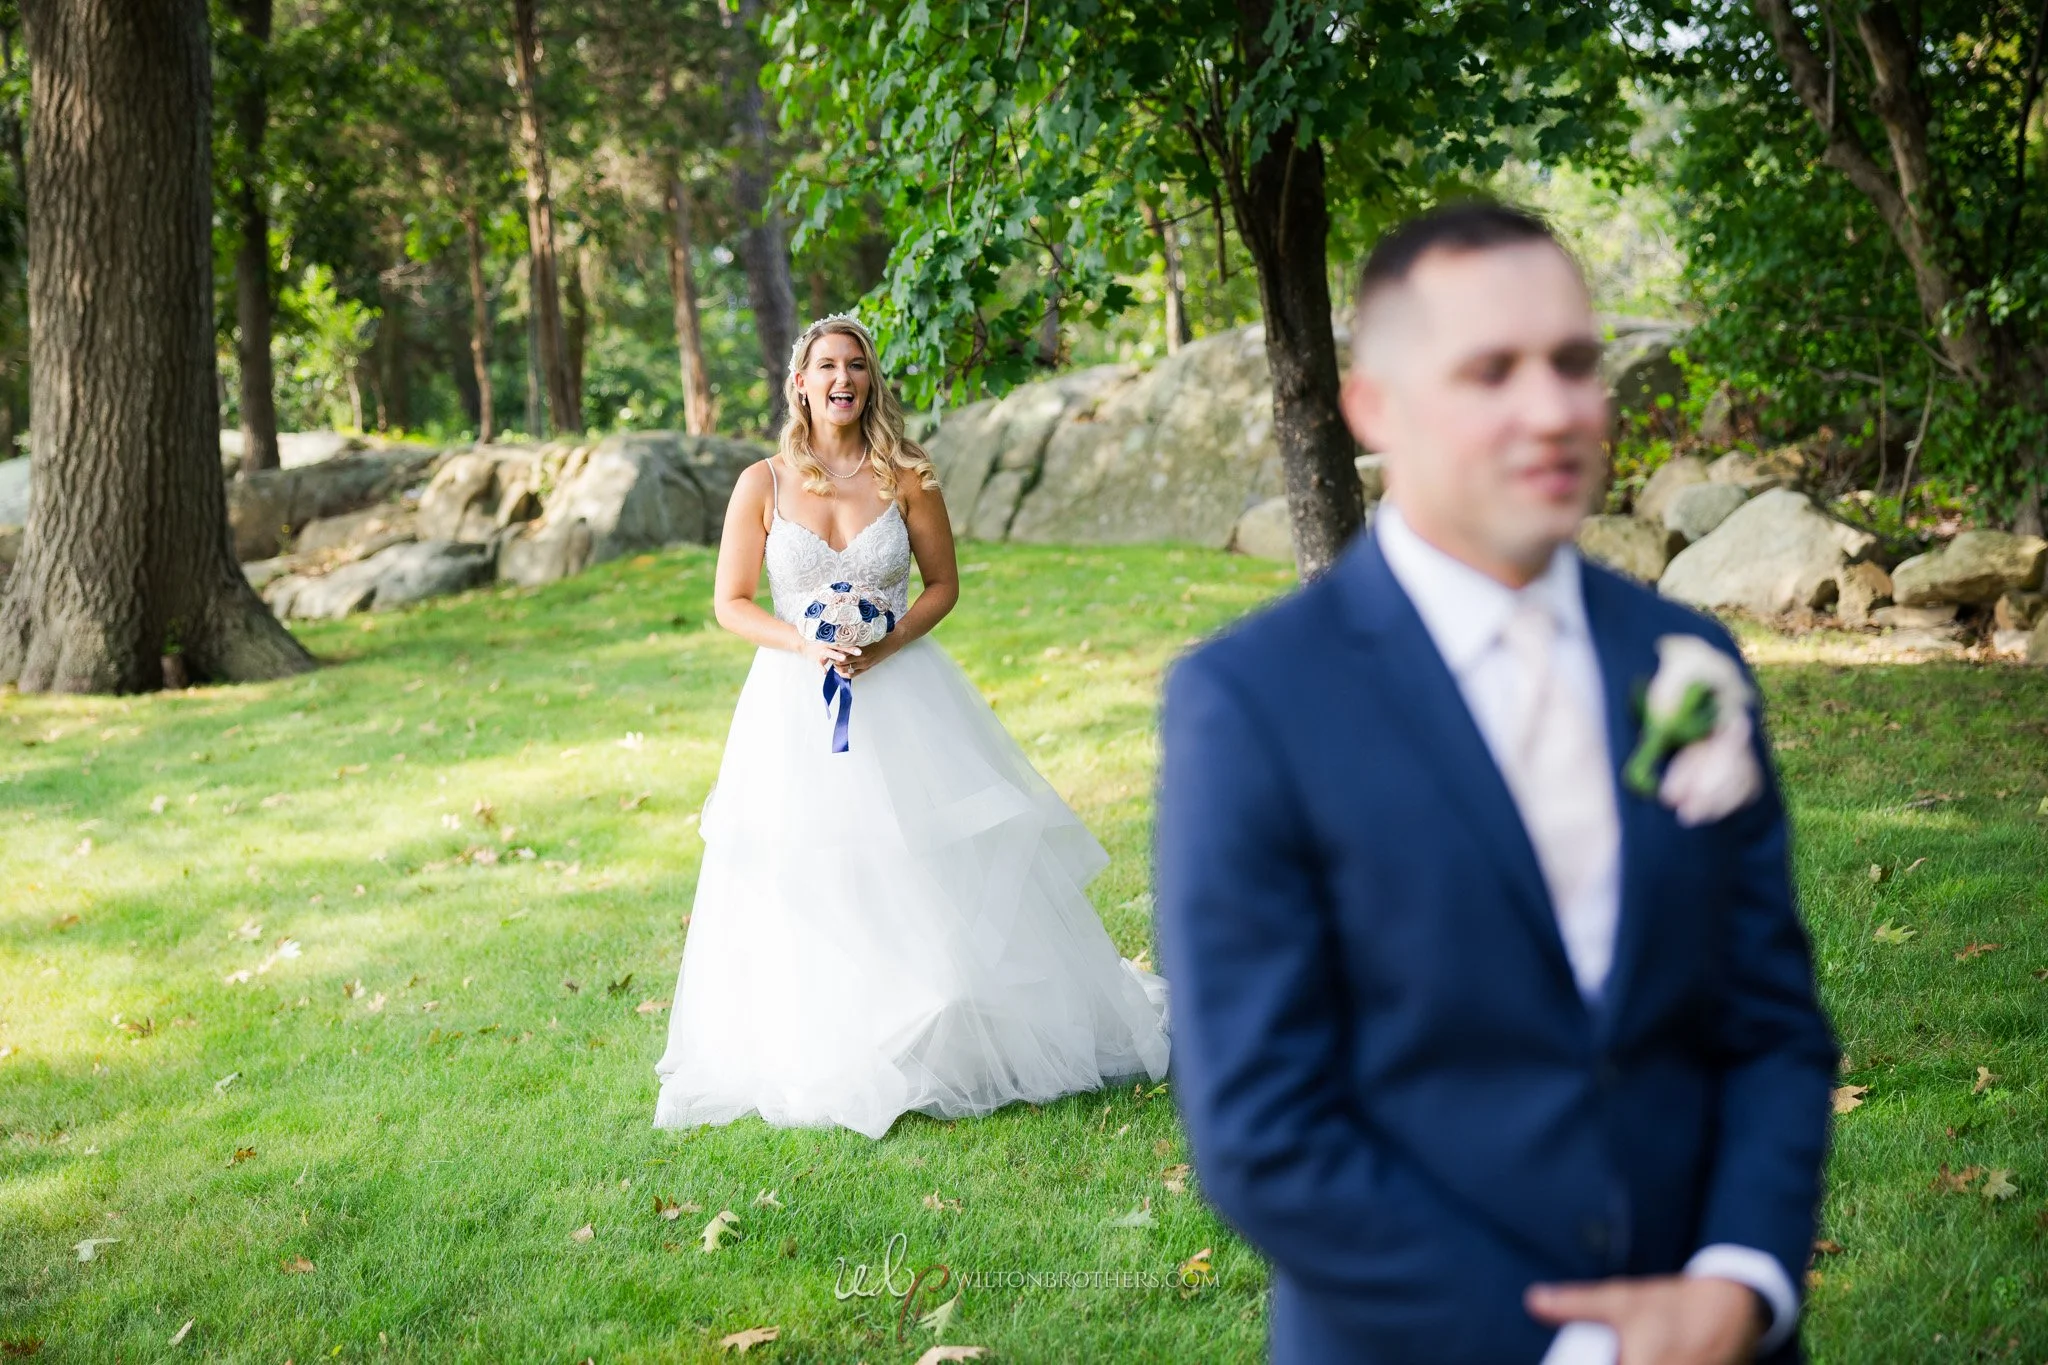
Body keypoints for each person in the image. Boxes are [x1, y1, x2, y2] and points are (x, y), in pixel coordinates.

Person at [1153, 203, 1835, 1365]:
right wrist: (1579, 1351)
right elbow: (1261, 1126)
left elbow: (1769, 1025)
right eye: (1490, 372)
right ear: (1373, 409)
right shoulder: (1252, 704)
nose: (1553, 409)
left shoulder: (1686, 664)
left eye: (1572, 363)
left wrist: (1735, 1282)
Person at [652, 313, 1169, 1141]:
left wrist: (884, 643)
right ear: (800, 383)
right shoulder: (762, 482)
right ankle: (831, 1035)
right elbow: (730, 602)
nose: (843, 379)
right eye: (827, 366)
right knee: (815, 862)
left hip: (903, 694)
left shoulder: (908, 475)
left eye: (857, 365)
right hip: (793, 703)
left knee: (923, 856)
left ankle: (946, 1018)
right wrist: (806, 644)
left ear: (872, 380)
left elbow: (942, 585)